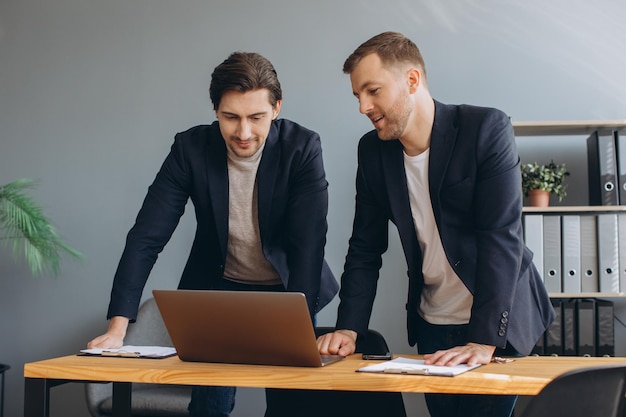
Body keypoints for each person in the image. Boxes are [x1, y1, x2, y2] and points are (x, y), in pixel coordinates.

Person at [317, 31, 555, 417]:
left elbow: (501, 238)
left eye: (372, 90)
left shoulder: (484, 129)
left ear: (412, 80)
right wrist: (348, 328)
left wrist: (481, 341)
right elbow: (365, 247)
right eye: (357, 95)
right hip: (432, 323)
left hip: (495, 322)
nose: (363, 106)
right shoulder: (372, 152)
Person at [88, 51, 338, 417]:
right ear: (215, 111)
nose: (244, 132)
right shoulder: (190, 149)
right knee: (208, 405)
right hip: (219, 287)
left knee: (293, 404)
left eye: (257, 117)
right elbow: (146, 237)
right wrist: (117, 328)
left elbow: (309, 243)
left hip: (289, 288)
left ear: (277, 108)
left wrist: (299, 321)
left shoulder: (302, 147)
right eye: (230, 117)